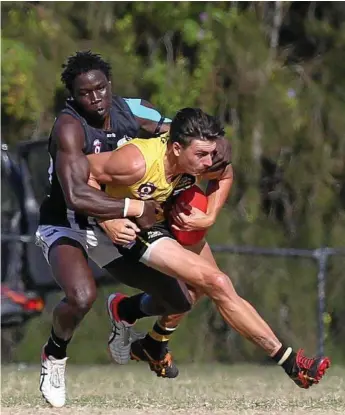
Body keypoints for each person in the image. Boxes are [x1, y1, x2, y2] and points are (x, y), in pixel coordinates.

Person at [35, 51, 231, 407]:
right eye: (84, 92)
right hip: (67, 222)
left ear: (110, 85)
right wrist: (131, 208)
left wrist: (217, 154)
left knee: (179, 299)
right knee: (81, 296)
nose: (95, 98)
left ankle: (125, 313)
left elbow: (203, 138)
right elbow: (76, 194)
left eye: (100, 88)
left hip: (118, 222)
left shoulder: (135, 109)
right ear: (72, 96)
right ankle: (54, 355)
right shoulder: (68, 127)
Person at [87, 107, 331, 390]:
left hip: (163, 218)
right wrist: (108, 219)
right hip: (133, 225)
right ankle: (291, 363)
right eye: (201, 155)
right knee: (217, 282)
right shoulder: (135, 162)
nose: (208, 162)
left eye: (211, 154)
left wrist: (210, 214)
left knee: (195, 291)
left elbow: (225, 174)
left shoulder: (202, 158)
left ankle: (140, 327)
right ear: (176, 148)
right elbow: (84, 172)